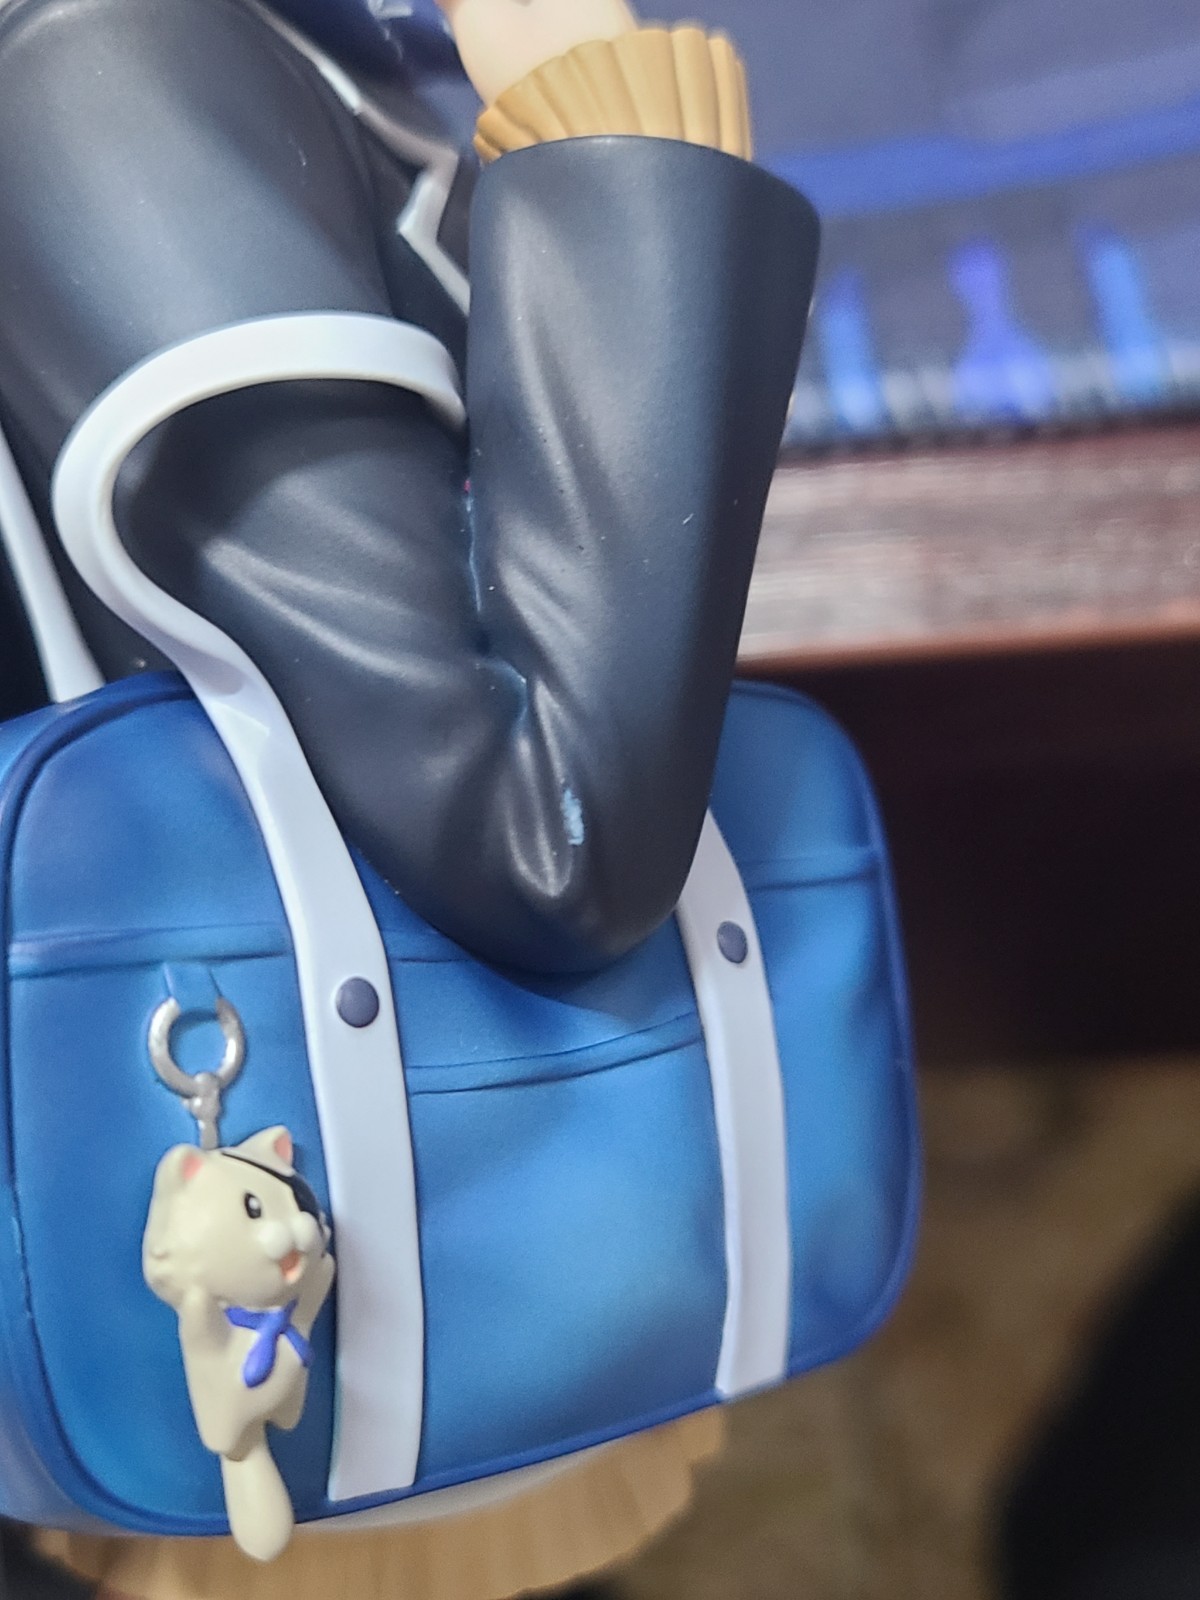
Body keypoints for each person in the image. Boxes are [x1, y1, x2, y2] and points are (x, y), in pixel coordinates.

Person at [0, 0, 817, 1593]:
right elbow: (548, 834)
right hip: (369, 1335)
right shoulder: (118, 64)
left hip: (431, 1271)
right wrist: (593, 100)